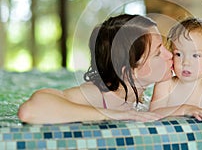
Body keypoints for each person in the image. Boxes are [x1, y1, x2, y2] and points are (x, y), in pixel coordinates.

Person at [18, 14, 174, 124]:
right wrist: (110, 115)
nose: (170, 54)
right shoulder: (97, 95)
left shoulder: (142, 96)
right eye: (158, 53)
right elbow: (30, 111)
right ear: (129, 71)